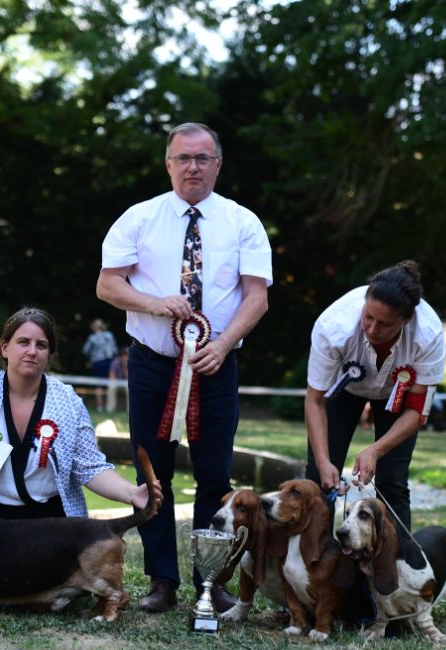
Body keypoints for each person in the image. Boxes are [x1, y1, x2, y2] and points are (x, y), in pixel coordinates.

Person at [96, 122, 272, 613]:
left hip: (217, 365)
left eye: (202, 158)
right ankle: (162, 582)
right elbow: (107, 286)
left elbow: (256, 299)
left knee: (215, 477)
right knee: (153, 475)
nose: (192, 167)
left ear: (218, 163)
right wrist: (155, 304)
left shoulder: (243, 222)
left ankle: (211, 581)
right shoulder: (138, 218)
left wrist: (224, 344)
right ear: (168, 163)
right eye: (183, 158)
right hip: (153, 364)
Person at [0, 307, 161, 520]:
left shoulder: (68, 402)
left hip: (52, 523)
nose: (32, 351)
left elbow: (90, 468)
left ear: (49, 355)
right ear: (5, 348)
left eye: (41, 345)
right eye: (23, 342)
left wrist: (131, 493)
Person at [304, 260, 445, 533]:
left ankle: (399, 566)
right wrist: (323, 462)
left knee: (392, 481)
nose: (372, 329)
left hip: (397, 396)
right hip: (341, 390)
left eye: (384, 323)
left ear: (407, 319)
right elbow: (315, 400)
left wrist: (375, 450)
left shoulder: (428, 334)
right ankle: (313, 566)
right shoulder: (333, 326)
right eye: (368, 316)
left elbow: (418, 411)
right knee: (319, 478)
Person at [82, 318, 118, 411]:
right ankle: (110, 406)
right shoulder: (109, 335)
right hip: (110, 362)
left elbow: (85, 350)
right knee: (110, 383)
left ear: (94, 327)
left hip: (98, 363)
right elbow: (115, 350)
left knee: (98, 384)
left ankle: (100, 406)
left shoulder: (92, 338)